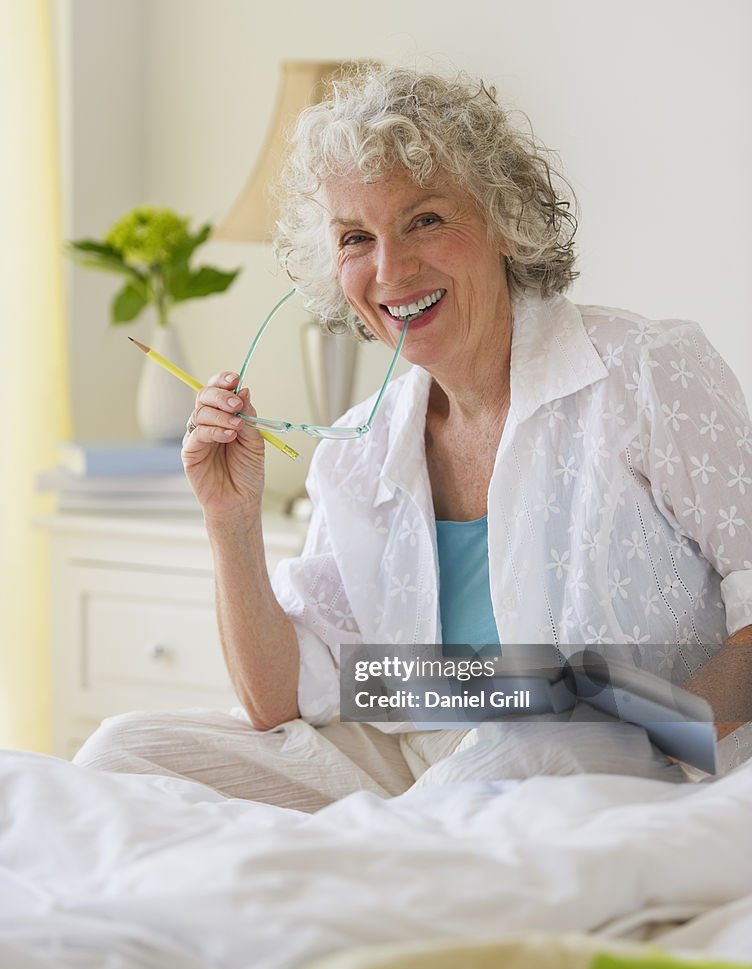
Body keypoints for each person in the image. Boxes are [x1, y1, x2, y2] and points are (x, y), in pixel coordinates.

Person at [74, 65, 752, 806]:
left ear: (502, 219)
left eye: (425, 219)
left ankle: (383, 863)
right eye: (356, 237)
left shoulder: (644, 372)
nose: (390, 269)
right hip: (419, 752)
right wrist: (230, 521)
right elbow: (287, 702)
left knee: (517, 751)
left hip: (623, 760)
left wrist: (652, 726)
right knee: (123, 752)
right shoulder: (358, 448)